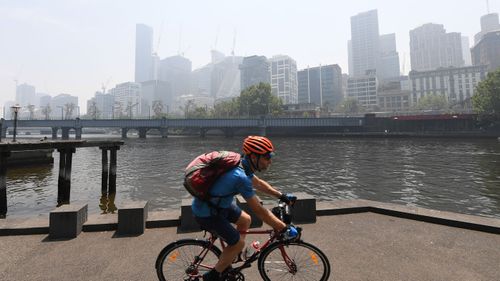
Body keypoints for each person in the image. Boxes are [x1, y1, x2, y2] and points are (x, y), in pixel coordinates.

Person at [191, 135, 297, 281]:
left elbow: (258, 183)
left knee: (245, 220)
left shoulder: (242, 164)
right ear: (254, 157)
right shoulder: (239, 177)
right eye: (267, 157)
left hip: (218, 205)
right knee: (238, 242)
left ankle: (232, 255)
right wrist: (283, 227)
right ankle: (212, 276)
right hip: (207, 212)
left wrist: (281, 196)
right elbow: (259, 210)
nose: (270, 161)